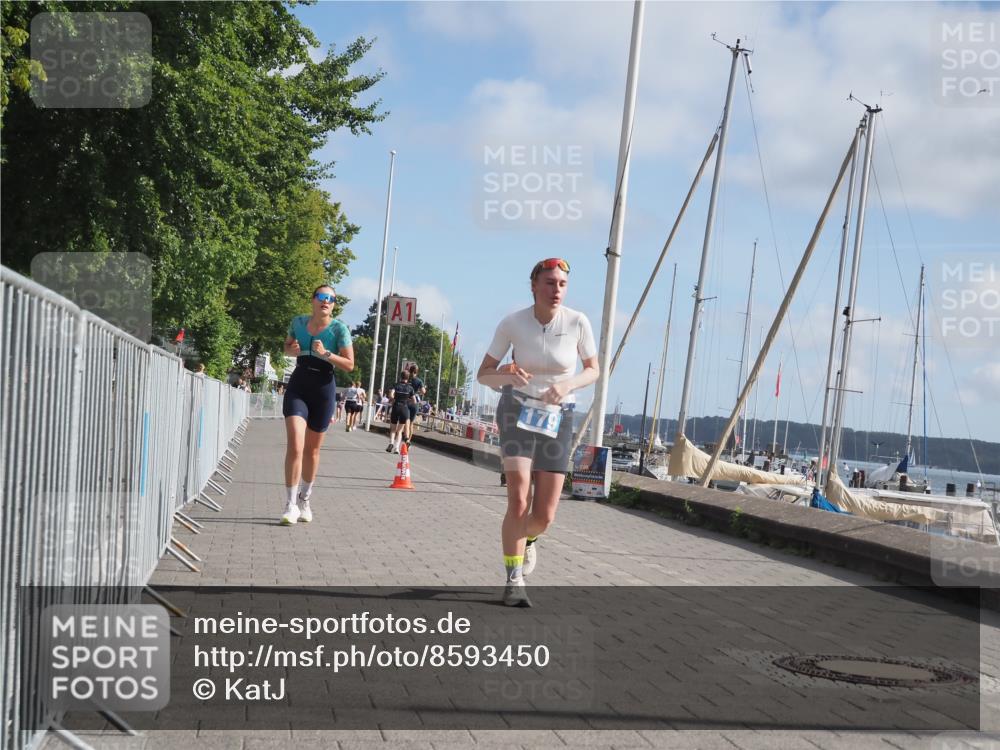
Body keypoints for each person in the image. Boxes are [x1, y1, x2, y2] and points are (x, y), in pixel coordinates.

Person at [476, 257, 598, 607]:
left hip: (559, 415)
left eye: (561, 284)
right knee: (518, 498)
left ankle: (527, 539)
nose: (556, 290)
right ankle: (513, 580)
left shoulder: (577, 322)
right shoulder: (512, 323)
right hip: (517, 409)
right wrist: (507, 372)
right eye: (549, 283)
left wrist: (568, 385)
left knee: (544, 515)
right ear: (534, 286)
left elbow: (593, 369)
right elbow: (484, 375)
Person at [280, 285, 354, 525]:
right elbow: (286, 348)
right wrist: (292, 350)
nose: (326, 301)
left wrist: (327, 354)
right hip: (299, 384)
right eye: (322, 297)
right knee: (296, 444)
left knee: (312, 450)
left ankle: (305, 499)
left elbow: (350, 365)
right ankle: (290, 505)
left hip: (323, 387)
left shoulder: (339, 329)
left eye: (331, 299)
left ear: (333, 305)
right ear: (313, 300)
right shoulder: (298, 322)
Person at [386, 369, 416, 454]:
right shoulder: (410, 388)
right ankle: (396, 448)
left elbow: (391, 395)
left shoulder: (395, 385)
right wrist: (407, 400)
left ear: (400, 376)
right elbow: (414, 401)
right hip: (404, 408)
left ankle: (391, 443)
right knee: (399, 431)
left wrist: (394, 399)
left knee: (392, 429)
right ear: (408, 377)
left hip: (396, 407)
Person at [405, 364, 426, 445]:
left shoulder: (406, 379)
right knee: (411, 424)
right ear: (417, 371)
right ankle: (408, 441)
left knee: (404, 422)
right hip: (414, 403)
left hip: (406, 402)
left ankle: (404, 439)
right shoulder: (419, 381)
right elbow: (423, 391)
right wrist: (417, 393)